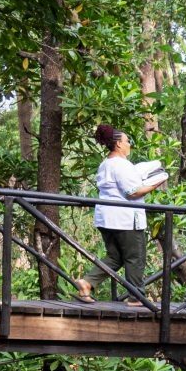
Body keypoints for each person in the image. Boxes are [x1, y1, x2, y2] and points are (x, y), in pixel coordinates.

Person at [74, 124, 168, 305]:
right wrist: (157, 182)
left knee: (115, 257)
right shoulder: (121, 165)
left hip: (106, 218)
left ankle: (87, 282)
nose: (129, 144)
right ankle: (137, 297)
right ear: (118, 144)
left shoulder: (105, 164)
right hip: (125, 220)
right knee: (135, 257)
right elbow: (132, 192)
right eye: (127, 141)